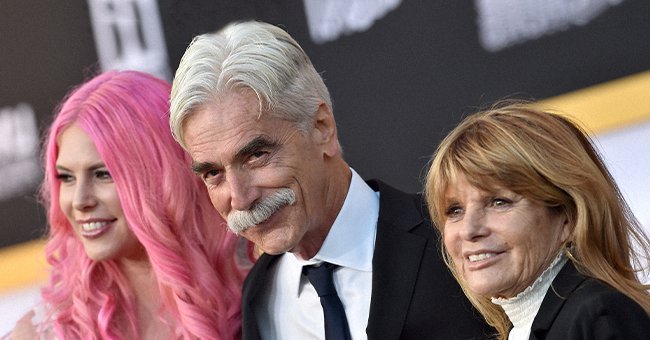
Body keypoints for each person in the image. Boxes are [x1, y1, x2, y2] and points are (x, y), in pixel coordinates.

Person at [168, 20, 492, 340]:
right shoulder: (259, 298)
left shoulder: (454, 241)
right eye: (214, 174)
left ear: (322, 128)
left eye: (256, 156)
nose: (240, 198)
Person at [9, 70, 247, 339]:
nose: (79, 201)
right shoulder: (42, 334)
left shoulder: (264, 296)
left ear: (162, 175)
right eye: (66, 177)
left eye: (102, 174)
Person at [425, 102, 650, 340]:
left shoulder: (599, 315)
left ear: (568, 216)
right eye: (454, 210)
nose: (469, 230)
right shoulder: (521, 330)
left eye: (499, 202)